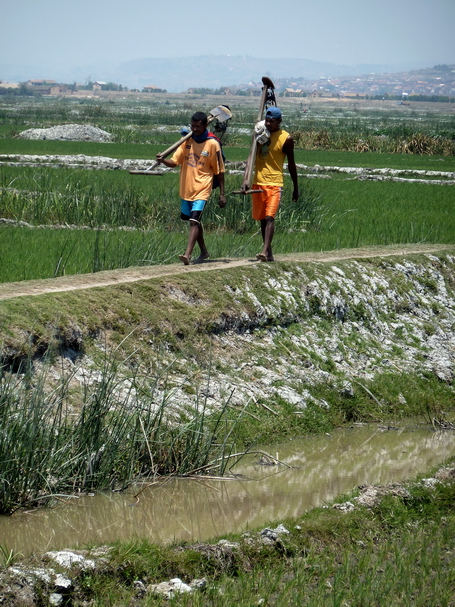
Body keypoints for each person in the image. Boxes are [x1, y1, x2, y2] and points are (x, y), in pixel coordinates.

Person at [156, 111, 226, 265]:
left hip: (203, 188)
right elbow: (175, 162)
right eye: (192, 126)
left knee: (194, 220)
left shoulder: (212, 144)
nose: (194, 129)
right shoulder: (186, 141)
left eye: (198, 127)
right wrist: (162, 160)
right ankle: (204, 252)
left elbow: (220, 171)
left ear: (205, 125)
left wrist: (222, 194)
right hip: (186, 189)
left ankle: (187, 255)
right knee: (194, 221)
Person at [242, 106, 299, 262]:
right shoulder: (259, 134)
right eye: (266, 120)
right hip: (258, 182)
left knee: (269, 218)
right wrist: (245, 180)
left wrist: (296, 187)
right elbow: (250, 157)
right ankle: (269, 252)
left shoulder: (286, 138)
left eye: (272, 122)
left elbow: (292, 164)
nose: (268, 124)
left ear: (279, 121)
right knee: (261, 219)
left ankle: (264, 250)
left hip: (274, 183)